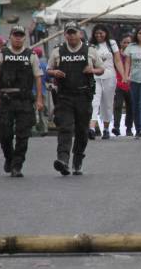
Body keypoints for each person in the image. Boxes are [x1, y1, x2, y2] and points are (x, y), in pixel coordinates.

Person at [46, 22, 104, 175]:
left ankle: (77, 159)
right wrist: (55, 73)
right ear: (65, 35)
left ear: (80, 34)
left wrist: (92, 69)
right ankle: (63, 160)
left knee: (82, 131)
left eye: (74, 32)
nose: (71, 35)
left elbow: (101, 69)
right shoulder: (57, 51)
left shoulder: (90, 50)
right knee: (65, 128)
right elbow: (48, 70)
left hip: (83, 96)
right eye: (69, 33)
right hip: (64, 96)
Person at [0, 25, 44, 177]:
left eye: (21, 35)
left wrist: (39, 98)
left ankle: (17, 165)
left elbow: (38, 77)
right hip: (6, 100)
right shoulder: (2, 54)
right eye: (15, 35)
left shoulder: (31, 55)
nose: (18, 38)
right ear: (10, 37)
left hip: (24, 100)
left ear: (24, 38)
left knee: (23, 135)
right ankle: (9, 157)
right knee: (4, 133)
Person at [88, 25, 124, 140]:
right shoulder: (91, 45)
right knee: (95, 102)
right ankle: (92, 128)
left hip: (109, 76)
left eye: (101, 33)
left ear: (106, 33)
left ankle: (106, 128)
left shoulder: (112, 43)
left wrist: (123, 75)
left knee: (107, 104)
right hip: (95, 76)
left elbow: (117, 60)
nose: (98, 35)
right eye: (96, 33)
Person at [112, 34, 133, 137]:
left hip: (131, 84)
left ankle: (129, 128)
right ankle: (116, 127)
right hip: (118, 83)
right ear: (120, 43)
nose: (126, 44)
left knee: (131, 107)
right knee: (117, 106)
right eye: (124, 42)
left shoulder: (133, 54)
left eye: (129, 42)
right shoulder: (116, 55)